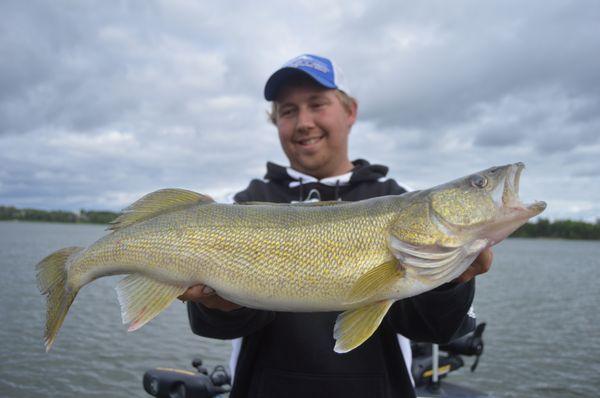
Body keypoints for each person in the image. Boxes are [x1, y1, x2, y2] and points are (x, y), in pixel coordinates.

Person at [179, 54, 493, 398]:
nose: (303, 122)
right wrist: (219, 304)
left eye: (317, 104)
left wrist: (451, 282)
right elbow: (217, 325)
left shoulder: (398, 201)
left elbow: (435, 328)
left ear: (350, 111)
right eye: (288, 111)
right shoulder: (244, 203)